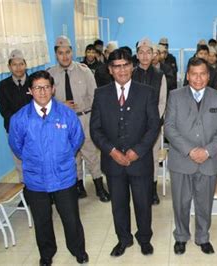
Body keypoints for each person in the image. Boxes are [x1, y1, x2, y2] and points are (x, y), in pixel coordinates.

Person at [8, 70, 88, 266]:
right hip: (36, 181)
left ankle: (78, 250)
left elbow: (77, 140)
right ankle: (46, 254)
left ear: (53, 89)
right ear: (30, 91)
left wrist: (63, 157)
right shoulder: (20, 119)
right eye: (37, 88)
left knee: (71, 218)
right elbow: (16, 146)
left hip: (64, 177)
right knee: (42, 221)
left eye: (46, 87)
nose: (42, 92)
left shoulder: (66, 114)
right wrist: (34, 161)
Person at [90, 48, 160, 257]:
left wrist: (137, 151)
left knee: (142, 203)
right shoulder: (101, 94)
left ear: (132, 66)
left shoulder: (146, 92)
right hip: (113, 163)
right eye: (117, 66)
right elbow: (95, 129)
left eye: (126, 65)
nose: (122, 70)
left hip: (139, 161)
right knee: (119, 205)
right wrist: (112, 151)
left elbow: (153, 126)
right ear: (110, 70)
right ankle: (124, 239)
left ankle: (144, 238)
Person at [164, 57, 217, 255]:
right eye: (194, 74)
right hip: (182, 159)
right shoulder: (175, 96)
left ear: (208, 76)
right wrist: (191, 150)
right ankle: (181, 236)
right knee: (181, 203)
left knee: (204, 202)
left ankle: (203, 237)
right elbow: (169, 128)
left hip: (208, 160)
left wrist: (207, 150)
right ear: (187, 75)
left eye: (202, 74)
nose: (198, 78)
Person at [47, 35, 110, 202]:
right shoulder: (50, 74)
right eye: (61, 53)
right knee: (71, 156)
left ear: (72, 52)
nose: (65, 56)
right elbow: (46, 101)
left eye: (67, 52)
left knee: (91, 153)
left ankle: (99, 186)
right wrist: (61, 106)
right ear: (56, 54)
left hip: (84, 118)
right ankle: (78, 186)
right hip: (62, 121)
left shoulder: (84, 71)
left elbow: (94, 96)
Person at [132, 38, 168, 205]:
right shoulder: (130, 73)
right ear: (137, 55)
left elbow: (162, 101)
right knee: (136, 157)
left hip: (153, 126)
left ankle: (153, 190)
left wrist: (153, 121)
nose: (145, 56)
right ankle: (139, 190)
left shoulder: (160, 75)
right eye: (141, 52)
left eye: (148, 52)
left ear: (154, 54)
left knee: (153, 157)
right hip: (134, 125)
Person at [0, 49, 32, 182]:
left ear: (25, 64)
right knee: (19, 162)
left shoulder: (33, 82)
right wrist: (19, 124)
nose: (18, 68)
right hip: (13, 130)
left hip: (34, 128)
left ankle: (43, 192)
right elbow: (3, 110)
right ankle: (25, 190)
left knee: (37, 160)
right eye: (14, 64)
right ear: (9, 66)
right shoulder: (2, 86)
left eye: (21, 64)